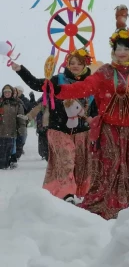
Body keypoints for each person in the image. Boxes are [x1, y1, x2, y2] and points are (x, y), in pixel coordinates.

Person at [52, 28, 129, 219]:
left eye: (126, 48)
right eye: (118, 48)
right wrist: (59, 90)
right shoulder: (105, 71)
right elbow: (86, 87)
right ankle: (109, 200)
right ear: (113, 50)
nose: (122, 52)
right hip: (110, 126)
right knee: (111, 163)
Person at [12, 48, 98, 203]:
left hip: (82, 131)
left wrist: (94, 120)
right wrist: (20, 70)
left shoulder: (91, 82)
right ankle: (66, 193)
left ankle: (81, 191)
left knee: (81, 164)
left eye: (79, 63)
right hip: (59, 129)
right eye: (72, 63)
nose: (75, 66)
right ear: (67, 64)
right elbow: (37, 84)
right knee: (65, 160)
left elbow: (96, 107)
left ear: (85, 64)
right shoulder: (58, 80)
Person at [0, 85, 22, 169]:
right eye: (5, 92)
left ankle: (9, 162)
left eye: (9, 92)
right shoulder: (0, 103)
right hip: (1, 129)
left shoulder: (17, 103)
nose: (7, 93)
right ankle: (2, 164)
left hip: (12, 130)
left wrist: (22, 127)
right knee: (1, 148)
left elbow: (20, 116)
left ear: (12, 93)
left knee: (10, 148)